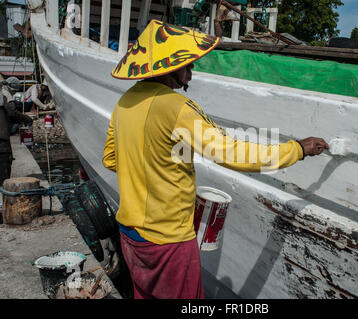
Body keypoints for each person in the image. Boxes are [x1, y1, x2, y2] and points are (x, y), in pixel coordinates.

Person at [102, 20, 329, 299]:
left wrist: (161, 164)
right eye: (187, 63)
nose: (192, 68)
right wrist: (297, 149)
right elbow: (231, 154)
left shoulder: (124, 103)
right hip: (168, 241)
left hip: (131, 235)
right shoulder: (177, 107)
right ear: (169, 67)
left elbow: (112, 159)